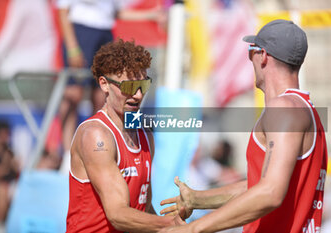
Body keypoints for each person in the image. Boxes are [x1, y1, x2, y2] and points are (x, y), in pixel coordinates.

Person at [158, 19, 328, 233]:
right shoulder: (304, 109)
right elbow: (262, 184)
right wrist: (198, 198)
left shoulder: (284, 108)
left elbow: (270, 192)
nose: (250, 60)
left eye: (251, 53)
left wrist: (193, 229)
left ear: (263, 56)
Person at [66, 39, 183, 232]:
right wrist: (171, 225)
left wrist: (180, 216)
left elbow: (142, 209)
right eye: (129, 87)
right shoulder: (96, 135)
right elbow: (118, 214)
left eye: (143, 86)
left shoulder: (145, 137)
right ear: (104, 84)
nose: (137, 95)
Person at [54, 0, 167, 171]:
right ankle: (67, 155)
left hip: (105, 33)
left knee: (102, 96)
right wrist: (72, 48)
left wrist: (148, 15)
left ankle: (95, 149)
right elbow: (62, 10)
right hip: (80, 30)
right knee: (73, 94)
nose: (137, 94)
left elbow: (115, 12)